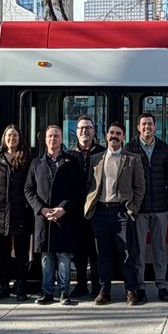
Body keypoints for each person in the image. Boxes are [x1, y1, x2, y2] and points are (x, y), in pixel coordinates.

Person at [85, 122, 147, 305]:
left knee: (127, 254)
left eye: (118, 133)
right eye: (111, 133)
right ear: (106, 136)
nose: (114, 136)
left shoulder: (133, 159)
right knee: (103, 254)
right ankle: (104, 291)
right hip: (101, 212)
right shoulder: (95, 159)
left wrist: (132, 209)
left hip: (122, 212)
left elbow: (140, 187)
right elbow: (90, 184)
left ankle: (131, 290)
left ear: (123, 137)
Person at [25, 125, 85, 306]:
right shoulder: (36, 163)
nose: (53, 139)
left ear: (61, 139)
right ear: (45, 139)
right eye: (50, 136)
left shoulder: (72, 162)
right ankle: (47, 292)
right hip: (43, 219)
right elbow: (28, 189)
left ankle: (64, 291)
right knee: (46, 256)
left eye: (57, 136)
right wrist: (41, 210)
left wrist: (64, 208)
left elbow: (78, 189)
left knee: (64, 256)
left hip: (64, 217)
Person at [124, 112, 168, 302]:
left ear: (155, 127)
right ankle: (140, 287)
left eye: (150, 124)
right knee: (138, 251)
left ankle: (162, 286)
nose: (147, 128)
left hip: (160, 207)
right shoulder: (130, 148)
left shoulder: (163, 147)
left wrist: (167, 192)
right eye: (144, 124)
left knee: (160, 249)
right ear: (138, 127)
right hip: (139, 209)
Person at [0, 125, 34, 301]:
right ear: (4, 138)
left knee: (21, 254)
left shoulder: (27, 158)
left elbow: (32, 183)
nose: (12, 138)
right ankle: (3, 286)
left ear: (20, 138)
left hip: (21, 213)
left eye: (15, 136)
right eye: (9, 135)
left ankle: (21, 287)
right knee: (2, 255)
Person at [68, 116, 103, 297]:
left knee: (96, 251)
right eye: (81, 128)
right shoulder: (69, 155)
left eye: (88, 128)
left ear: (94, 131)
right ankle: (81, 284)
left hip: (97, 210)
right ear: (76, 132)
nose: (84, 131)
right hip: (76, 212)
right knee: (79, 251)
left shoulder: (102, 153)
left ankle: (97, 285)